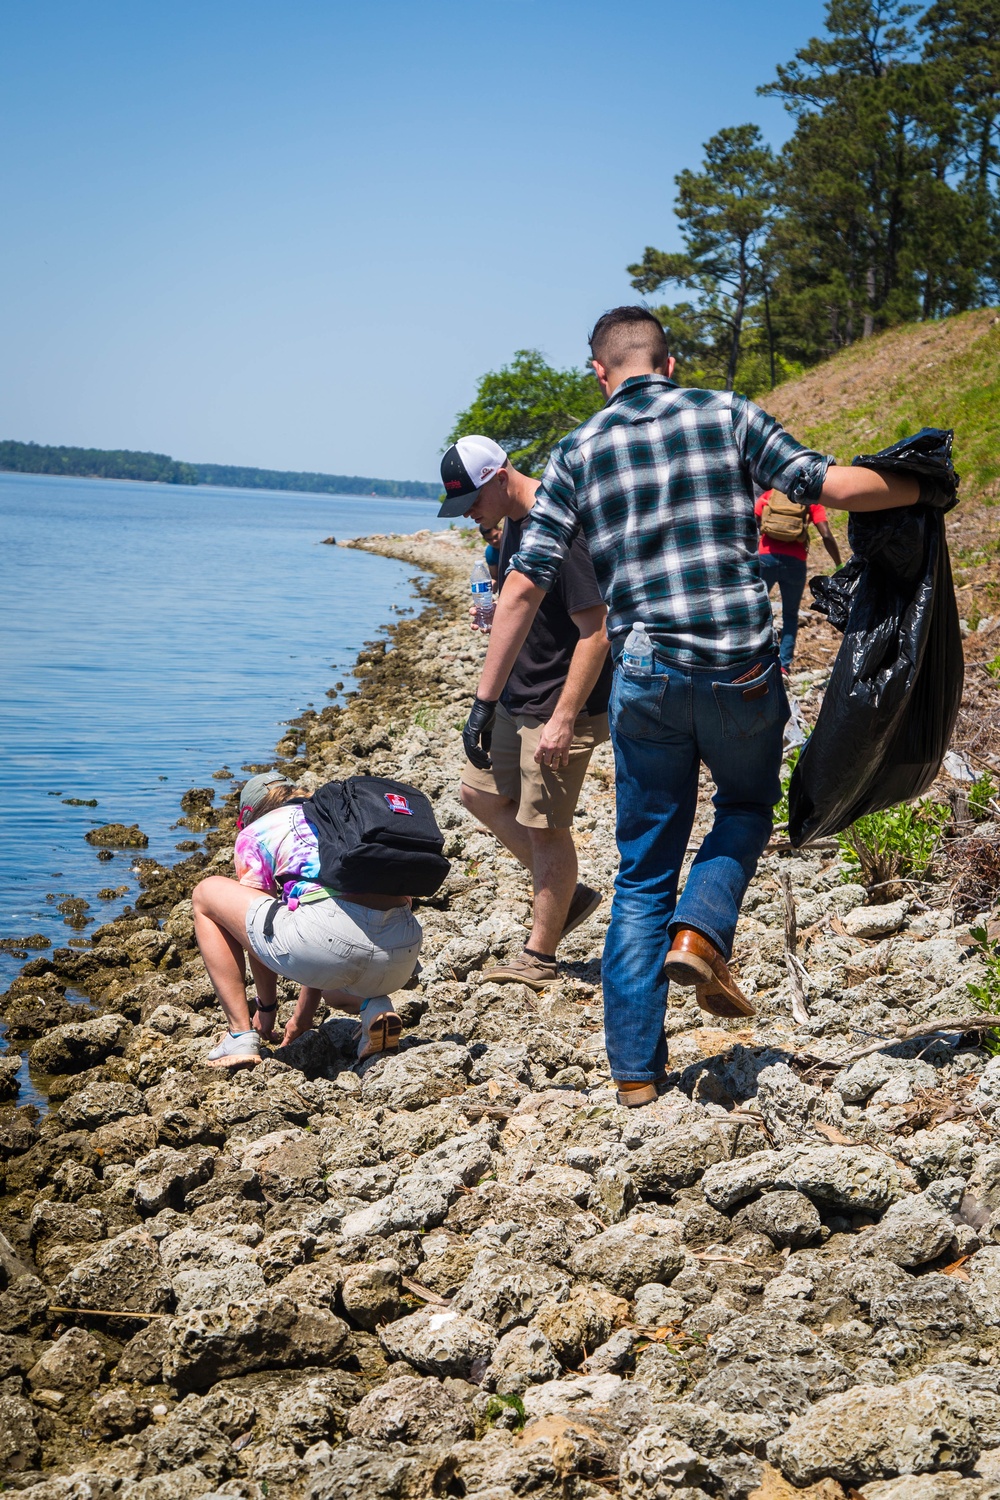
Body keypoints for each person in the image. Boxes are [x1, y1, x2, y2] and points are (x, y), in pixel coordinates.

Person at [462, 306, 920, 1105]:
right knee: (745, 804)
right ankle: (703, 933)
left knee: (641, 871)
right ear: (669, 364)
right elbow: (832, 485)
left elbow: (524, 586)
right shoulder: (727, 413)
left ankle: (637, 1076)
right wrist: (924, 484)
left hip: (647, 675)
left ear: (600, 375)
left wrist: (484, 699)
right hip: (741, 664)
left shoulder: (575, 452)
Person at [438, 434, 612, 990]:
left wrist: (565, 717)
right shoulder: (512, 524)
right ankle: (567, 896)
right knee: (478, 793)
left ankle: (540, 957)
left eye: (470, 501)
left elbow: (597, 630)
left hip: (557, 701)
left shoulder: (563, 524)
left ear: (497, 477)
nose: (468, 515)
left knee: (545, 828)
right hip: (518, 694)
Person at [192, 771, 422, 1066]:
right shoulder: (338, 817)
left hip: (330, 942)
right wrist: (301, 1020)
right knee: (334, 987)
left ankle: (239, 1035)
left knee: (205, 894)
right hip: (401, 955)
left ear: (248, 814)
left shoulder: (257, 831)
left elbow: (253, 931)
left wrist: (267, 1008)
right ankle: (375, 1006)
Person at [755, 488, 842, 674]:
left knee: (756, 611)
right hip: (795, 562)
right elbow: (826, 534)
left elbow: (752, 523)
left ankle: (755, 661)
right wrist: (838, 564)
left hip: (766, 558)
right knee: (790, 615)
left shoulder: (769, 496)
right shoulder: (809, 500)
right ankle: (784, 666)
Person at [480, 520, 504, 585]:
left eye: (496, 536)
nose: (494, 541)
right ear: (485, 539)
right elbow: (494, 576)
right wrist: (493, 583)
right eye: (489, 539)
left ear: (500, 530)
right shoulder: (490, 553)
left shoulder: (515, 542)